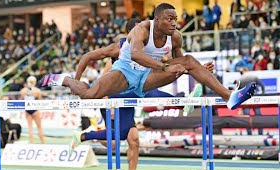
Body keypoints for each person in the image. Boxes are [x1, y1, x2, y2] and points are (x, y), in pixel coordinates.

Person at [39, 3, 256, 111]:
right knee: (88, 95)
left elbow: (179, 60)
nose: (174, 23)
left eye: (175, 19)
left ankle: (230, 97)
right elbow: (136, 54)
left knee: (189, 60)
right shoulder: (143, 29)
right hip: (124, 72)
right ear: (157, 19)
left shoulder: (176, 37)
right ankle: (65, 80)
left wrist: (195, 69)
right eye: (169, 19)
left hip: (147, 77)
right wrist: (165, 68)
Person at [70, 18, 211, 170]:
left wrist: (196, 69)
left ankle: (83, 136)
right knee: (147, 93)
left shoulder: (150, 50)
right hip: (114, 95)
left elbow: (172, 67)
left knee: (122, 135)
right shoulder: (120, 48)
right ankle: (183, 101)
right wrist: (84, 85)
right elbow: (104, 76)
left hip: (131, 92)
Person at [20, 76, 45, 144]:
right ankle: (43, 143)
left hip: (27, 109)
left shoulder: (23, 91)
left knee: (30, 127)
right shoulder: (37, 91)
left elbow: (22, 99)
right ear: (34, 82)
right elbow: (39, 100)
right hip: (35, 109)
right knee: (39, 127)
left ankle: (32, 143)